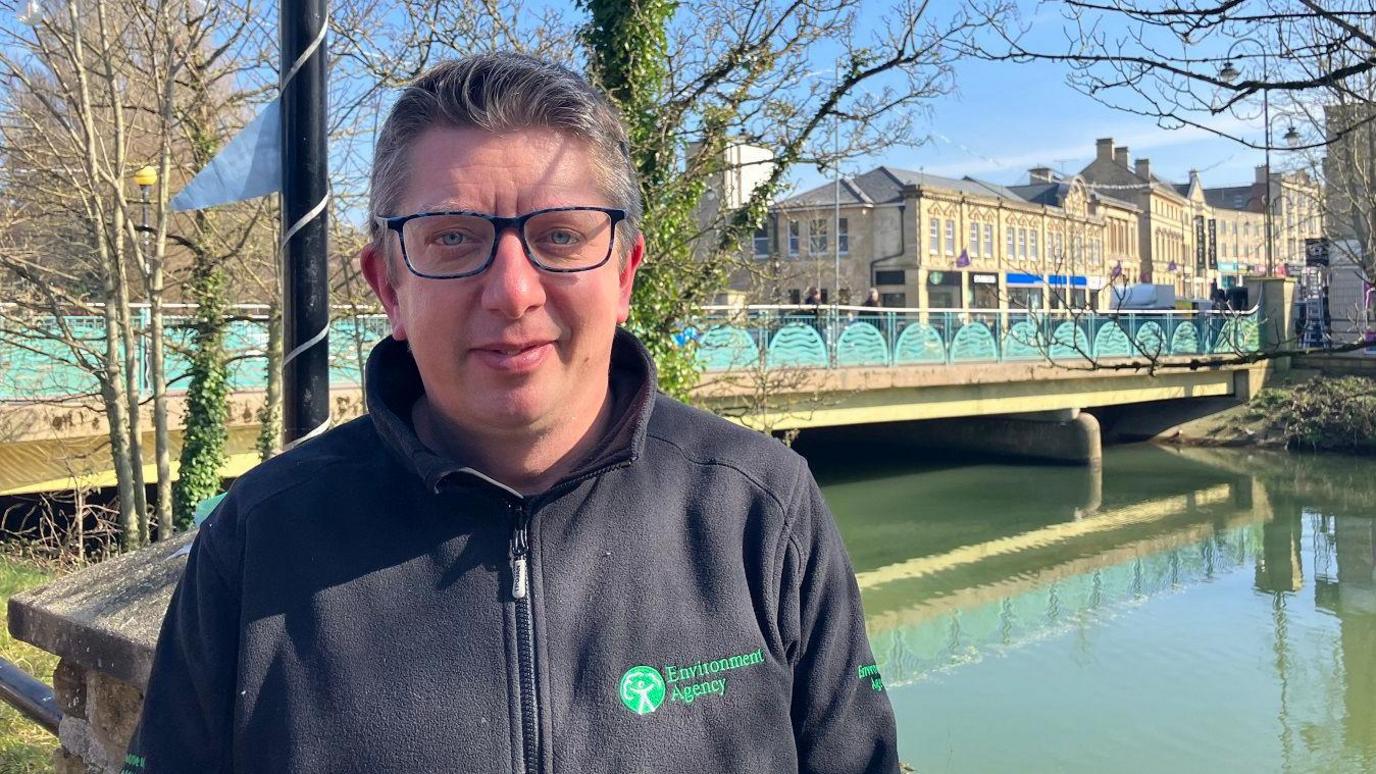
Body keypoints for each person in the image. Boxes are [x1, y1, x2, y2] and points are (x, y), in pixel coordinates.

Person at [126, 53, 898, 773]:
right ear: (389, 287)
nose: (513, 292)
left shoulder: (760, 510)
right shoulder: (261, 538)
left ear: (625, 273)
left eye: (561, 237)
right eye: (454, 239)